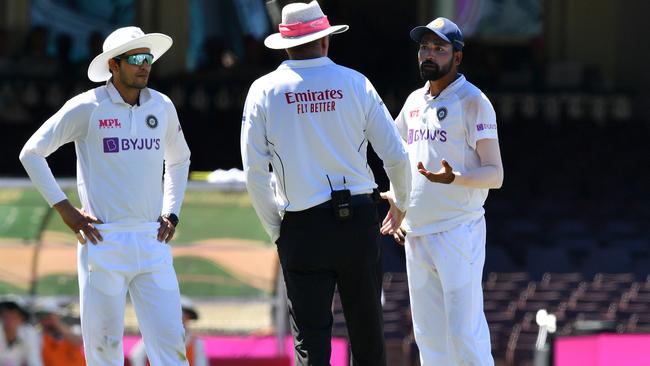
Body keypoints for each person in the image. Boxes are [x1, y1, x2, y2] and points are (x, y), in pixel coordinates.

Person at [240, 2, 411, 365]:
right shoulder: (356, 82)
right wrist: (402, 202)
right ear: (326, 41)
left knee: (311, 345)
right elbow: (395, 155)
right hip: (358, 221)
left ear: (286, 45)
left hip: (302, 226)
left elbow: (255, 173)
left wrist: (278, 230)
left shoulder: (263, 90)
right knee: (368, 340)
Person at [19, 26, 192, 366]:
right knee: (103, 352)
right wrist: (65, 210)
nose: (145, 66)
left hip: (152, 239)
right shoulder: (87, 107)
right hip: (103, 241)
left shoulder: (163, 105)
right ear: (113, 65)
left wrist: (171, 212)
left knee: (171, 349)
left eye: (149, 59)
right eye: (136, 59)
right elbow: (31, 153)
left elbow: (180, 159)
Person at [382, 17, 503, 366]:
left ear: (458, 57)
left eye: (439, 48)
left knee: (465, 333)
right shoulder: (413, 102)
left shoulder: (473, 101)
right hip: (417, 234)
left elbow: (495, 175)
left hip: (457, 229)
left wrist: (455, 179)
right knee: (429, 336)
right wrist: (398, 200)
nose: (428, 55)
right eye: (424, 47)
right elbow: (396, 156)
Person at [129, 296, 207, 366]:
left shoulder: (196, 342)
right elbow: (136, 356)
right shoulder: (156, 336)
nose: (180, 317)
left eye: (184, 314)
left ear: (189, 317)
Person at [33, 298, 84, 366]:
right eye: (41, 316)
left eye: (47, 316)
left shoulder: (73, 331)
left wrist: (56, 323)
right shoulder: (37, 338)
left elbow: (79, 342)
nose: (44, 319)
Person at [0, 294, 43, 366]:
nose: (9, 320)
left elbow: (34, 360)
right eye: (5, 316)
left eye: (14, 317)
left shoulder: (29, 334)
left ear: (22, 318)